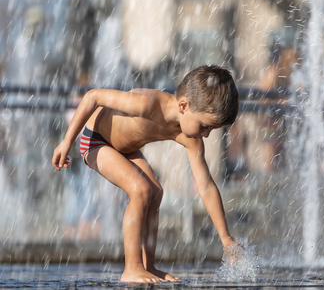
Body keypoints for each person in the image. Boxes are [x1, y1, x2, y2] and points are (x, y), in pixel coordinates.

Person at [52, 65, 240, 284]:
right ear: (183, 105)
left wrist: (226, 238)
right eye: (204, 126)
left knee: (156, 192)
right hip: (94, 139)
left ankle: (148, 266)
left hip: (125, 148)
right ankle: (132, 268)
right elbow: (93, 97)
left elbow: (206, 186)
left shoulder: (191, 138)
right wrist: (66, 142)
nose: (205, 135)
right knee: (141, 190)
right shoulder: (147, 104)